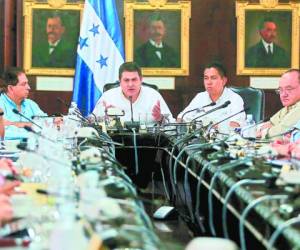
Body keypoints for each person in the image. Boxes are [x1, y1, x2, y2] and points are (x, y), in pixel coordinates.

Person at [92, 62, 173, 123]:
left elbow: (172, 125)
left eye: (134, 80)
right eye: (126, 80)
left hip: (149, 143)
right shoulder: (108, 97)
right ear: (120, 81)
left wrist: (161, 119)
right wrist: (103, 118)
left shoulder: (153, 96)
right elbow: (92, 122)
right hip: (115, 143)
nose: (130, 84)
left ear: (141, 80)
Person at [177, 62, 246, 131]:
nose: (209, 82)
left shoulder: (234, 99)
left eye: (213, 78)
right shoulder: (200, 97)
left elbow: (236, 124)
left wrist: (219, 127)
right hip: (199, 138)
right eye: (206, 78)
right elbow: (182, 117)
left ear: (224, 81)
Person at [0, 67, 47, 139]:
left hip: (33, 148)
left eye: (27, 83)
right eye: (23, 84)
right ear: (10, 88)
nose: (28, 87)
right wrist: (31, 131)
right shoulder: (1, 104)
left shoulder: (31, 104)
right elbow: (3, 134)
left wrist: (54, 120)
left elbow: (45, 124)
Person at [258, 69, 300, 139]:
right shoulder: (289, 106)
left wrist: (263, 133)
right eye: (281, 90)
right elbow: (270, 123)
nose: (283, 94)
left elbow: (280, 131)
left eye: (289, 89)